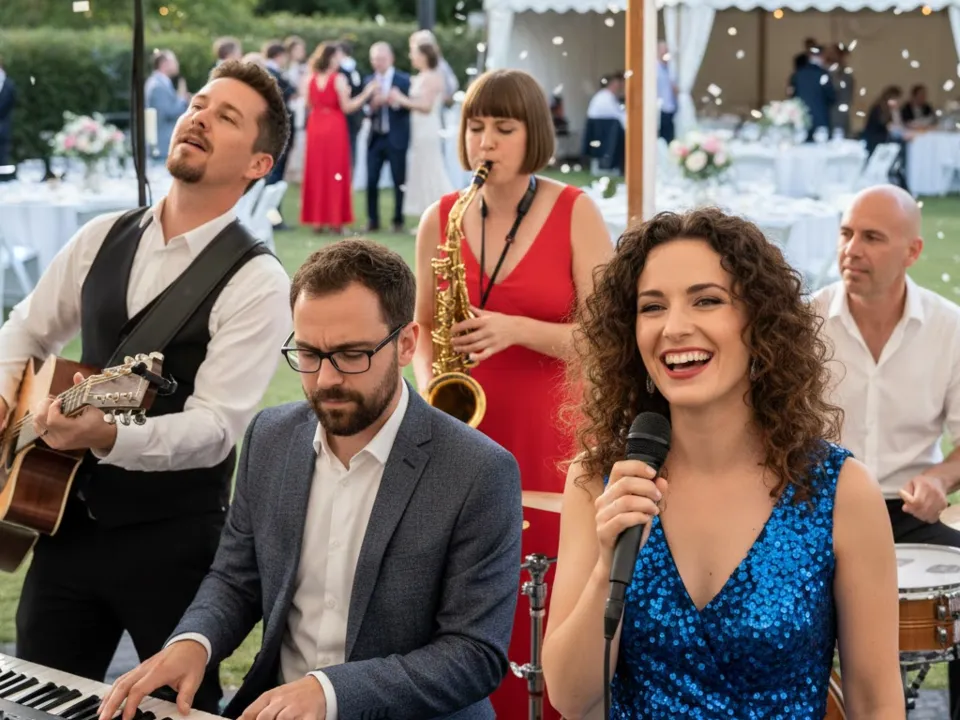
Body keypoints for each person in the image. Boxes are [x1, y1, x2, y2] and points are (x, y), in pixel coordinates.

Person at [97, 239, 523, 720]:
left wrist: (330, 692)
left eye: (351, 355)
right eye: (308, 353)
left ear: (406, 343)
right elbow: (236, 578)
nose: (324, 380)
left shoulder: (479, 471)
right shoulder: (270, 436)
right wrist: (194, 642)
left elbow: (473, 654)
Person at [1, 59, 292, 712]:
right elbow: (25, 328)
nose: (199, 118)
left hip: (173, 545)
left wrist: (110, 435)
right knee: (35, 702)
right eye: (198, 104)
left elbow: (215, 428)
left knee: (171, 707)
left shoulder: (257, 281)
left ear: (258, 164)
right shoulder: (100, 236)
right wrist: (4, 397)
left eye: (227, 117)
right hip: (64, 524)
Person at [542, 208, 904, 718]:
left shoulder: (840, 491)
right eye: (652, 307)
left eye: (706, 300)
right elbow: (569, 697)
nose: (674, 328)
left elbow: (875, 701)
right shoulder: (598, 481)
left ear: (760, 322)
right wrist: (607, 568)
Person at [412, 68, 613, 720]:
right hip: (465, 434)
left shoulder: (577, 212)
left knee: (547, 603)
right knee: (468, 603)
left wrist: (517, 330)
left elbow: (610, 338)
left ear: (535, 136)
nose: (486, 142)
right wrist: (432, 389)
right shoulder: (441, 218)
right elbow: (420, 330)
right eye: (476, 127)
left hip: (553, 440)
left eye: (504, 127)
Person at [813, 184, 960, 716]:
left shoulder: (950, 328)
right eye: (846, 233)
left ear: (912, 252)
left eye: (872, 238)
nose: (852, 249)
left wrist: (940, 478)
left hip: (909, 512)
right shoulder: (804, 323)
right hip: (817, 510)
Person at [300, 43, 376, 233]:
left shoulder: (310, 78)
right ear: (331, 58)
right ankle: (336, 221)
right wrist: (366, 93)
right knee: (336, 172)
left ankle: (317, 221)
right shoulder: (338, 79)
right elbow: (347, 107)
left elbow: (308, 104)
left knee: (317, 172)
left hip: (315, 125)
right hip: (334, 126)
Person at [391, 39, 453, 220]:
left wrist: (400, 99)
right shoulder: (420, 76)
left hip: (427, 129)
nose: (411, 57)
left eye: (414, 53)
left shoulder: (433, 76)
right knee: (421, 170)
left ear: (424, 56)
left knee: (431, 168)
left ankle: (444, 209)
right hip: (418, 130)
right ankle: (428, 215)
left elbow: (426, 106)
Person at [364, 42, 411, 233]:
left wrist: (394, 101)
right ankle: (372, 220)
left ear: (391, 59)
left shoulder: (403, 80)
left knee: (399, 180)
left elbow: (409, 107)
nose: (378, 63)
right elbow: (363, 109)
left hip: (396, 136)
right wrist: (372, 105)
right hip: (375, 137)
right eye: (375, 59)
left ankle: (398, 220)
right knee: (371, 180)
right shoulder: (368, 81)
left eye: (381, 59)